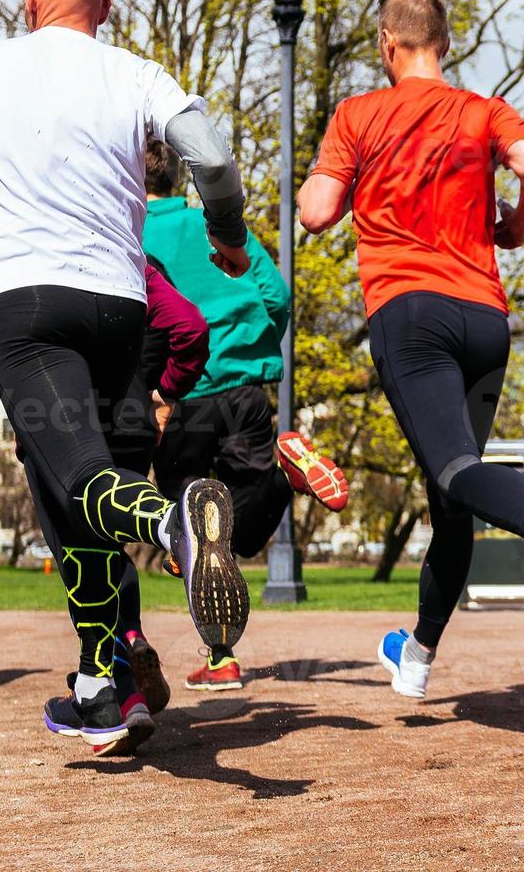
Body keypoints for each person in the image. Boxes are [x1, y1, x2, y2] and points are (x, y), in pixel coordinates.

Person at [0, 0, 253, 754]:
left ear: (27, 2)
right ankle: (99, 685)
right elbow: (214, 161)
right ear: (104, 10)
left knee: (79, 478)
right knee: (80, 489)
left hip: (25, 306)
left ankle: (174, 528)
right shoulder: (135, 73)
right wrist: (228, 237)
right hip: (120, 309)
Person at [295, 0, 524, 701]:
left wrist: (329, 181)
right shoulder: (481, 110)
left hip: (410, 312)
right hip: (484, 319)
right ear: (443, 43)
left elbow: (315, 213)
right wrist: (517, 225)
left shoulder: (357, 114)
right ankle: (416, 653)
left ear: (387, 44)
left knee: (449, 471)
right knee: (452, 495)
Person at [0, 258, 209, 729]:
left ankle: (112, 693)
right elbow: (190, 327)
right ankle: (121, 662)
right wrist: (166, 393)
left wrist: (23, 371)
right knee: (108, 541)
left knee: (85, 554)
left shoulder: (16, 259)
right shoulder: (132, 261)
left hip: (55, 423)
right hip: (131, 421)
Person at [141, 137, 350, 693]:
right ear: (176, 182)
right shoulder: (214, 226)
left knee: (188, 530)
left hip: (183, 393)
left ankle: (221, 657)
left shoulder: (131, 233)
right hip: (248, 391)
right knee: (238, 528)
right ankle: (286, 474)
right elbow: (276, 296)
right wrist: (254, 347)